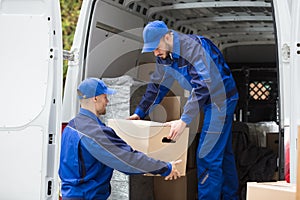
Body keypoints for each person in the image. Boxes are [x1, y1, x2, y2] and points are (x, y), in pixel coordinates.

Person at [129, 20, 239, 200]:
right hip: (209, 100)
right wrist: (139, 112)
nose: (155, 53)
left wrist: (184, 120)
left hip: (222, 100)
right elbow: (157, 86)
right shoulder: (164, 56)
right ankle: (231, 197)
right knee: (222, 154)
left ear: (167, 37)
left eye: (156, 47)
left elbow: (203, 85)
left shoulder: (193, 48)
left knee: (207, 155)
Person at [59, 77, 181, 200]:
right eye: (105, 97)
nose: (107, 101)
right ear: (95, 98)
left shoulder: (71, 127)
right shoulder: (95, 132)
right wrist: (165, 168)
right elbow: (128, 160)